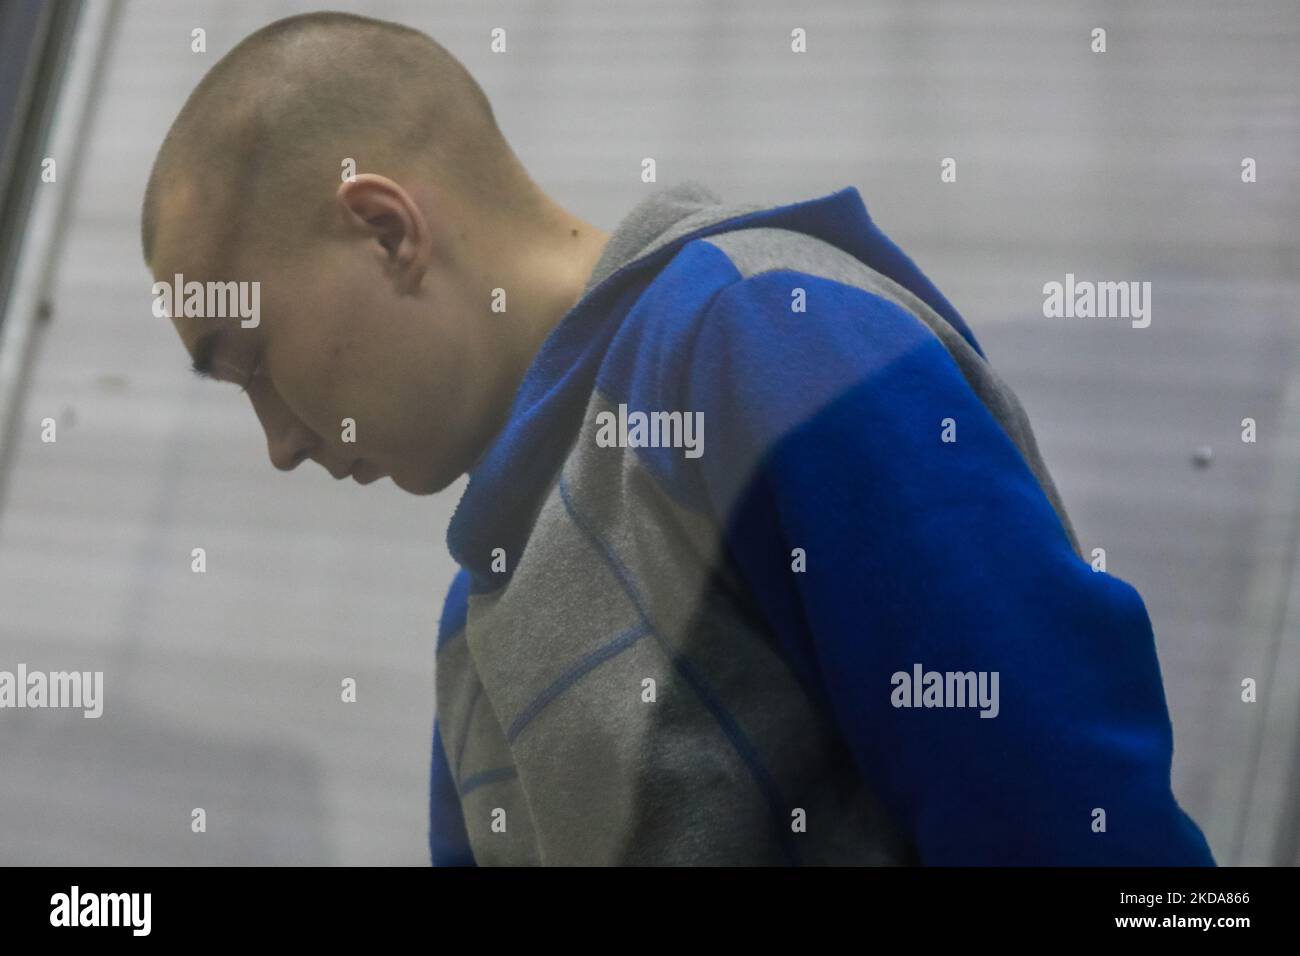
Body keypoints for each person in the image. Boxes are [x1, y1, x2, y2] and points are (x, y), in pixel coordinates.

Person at [141, 11, 1215, 866]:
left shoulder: (760, 337)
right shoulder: (478, 627)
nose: (277, 443)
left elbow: (1060, 806)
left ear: (385, 229)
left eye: (251, 359)